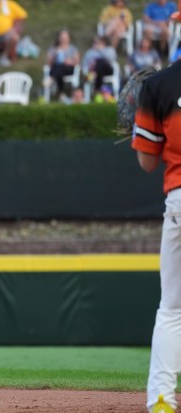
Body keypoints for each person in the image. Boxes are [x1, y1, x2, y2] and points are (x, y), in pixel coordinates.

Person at [131, 59, 181, 413]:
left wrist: (143, 131)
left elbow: (148, 162)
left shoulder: (162, 84)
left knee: (172, 309)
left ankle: (162, 399)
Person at [45, 28, 80, 101]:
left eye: (65, 38)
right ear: (59, 38)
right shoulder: (53, 49)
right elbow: (49, 63)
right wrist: (55, 55)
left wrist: (70, 61)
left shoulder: (72, 49)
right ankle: (61, 94)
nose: (63, 39)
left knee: (61, 67)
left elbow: (77, 62)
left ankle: (51, 78)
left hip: (68, 69)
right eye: (62, 38)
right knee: (59, 68)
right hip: (57, 68)